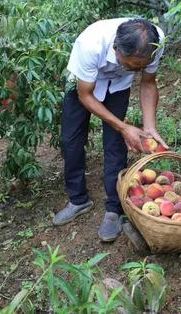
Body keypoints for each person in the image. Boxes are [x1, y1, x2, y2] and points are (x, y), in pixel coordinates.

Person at [53, 17, 169, 242]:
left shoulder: (156, 42)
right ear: (116, 48)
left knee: (115, 144)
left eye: (140, 66)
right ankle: (78, 200)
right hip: (84, 84)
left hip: (117, 87)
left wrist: (149, 127)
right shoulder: (90, 44)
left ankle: (114, 209)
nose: (135, 70)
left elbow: (147, 82)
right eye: (130, 65)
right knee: (71, 141)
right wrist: (124, 126)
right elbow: (85, 95)